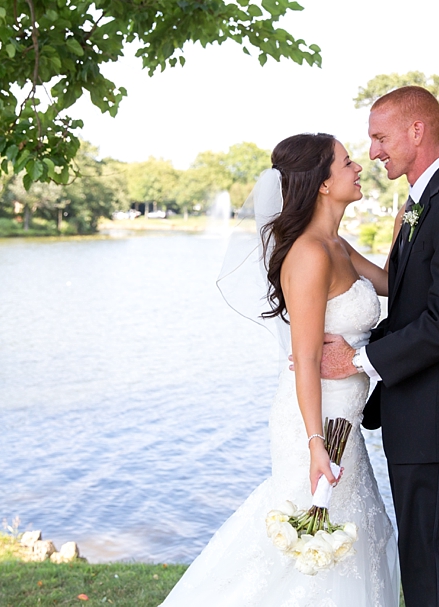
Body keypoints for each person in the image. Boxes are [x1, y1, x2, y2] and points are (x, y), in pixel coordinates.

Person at [160, 133, 400, 606]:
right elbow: (305, 359)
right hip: (314, 422)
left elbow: (393, 284)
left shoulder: (338, 245)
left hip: (345, 422)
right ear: (323, 184)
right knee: (309, 540)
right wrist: (315, 446)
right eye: (347, 162)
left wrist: (401, 232)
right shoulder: (309, 254)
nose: (358, 168)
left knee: (352, 536)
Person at [319, 86, 439, 607]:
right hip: (419, 416)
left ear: (416, 130)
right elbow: (406, 303)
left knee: (435, 564)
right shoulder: (423, 205)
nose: (373, 151)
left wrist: (357, 359)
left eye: (380, 137)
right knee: (422, 561)